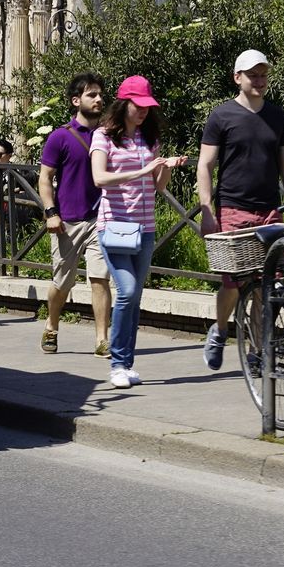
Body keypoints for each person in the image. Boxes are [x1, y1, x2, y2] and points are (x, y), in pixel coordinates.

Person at [197, 48, 284, 370]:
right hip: (233, 208)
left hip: (269, 210)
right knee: (232, 282)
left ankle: (257, 350)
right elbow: (206, 165)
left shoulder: (276, 115)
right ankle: (221, 328)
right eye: (252, 75)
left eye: (263, 74)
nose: (259, 80)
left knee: (265, 284)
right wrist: (206, 209)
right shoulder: (222, 116)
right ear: (237, 78)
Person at [89, 76, 186, 389]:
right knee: (127, 291)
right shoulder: (103, 136)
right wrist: (143, 170)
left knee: (135, 297)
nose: (144, 111)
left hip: (144, 228)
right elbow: (99, 178)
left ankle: (127, 364)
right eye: (139, 105)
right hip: (114, 227)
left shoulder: (147, 139)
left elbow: (157, 186)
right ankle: (117, 363)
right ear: (124, 104)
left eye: (148, 106)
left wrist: (167, 166)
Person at [37, 72, 110, 356]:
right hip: (66, 222)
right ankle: (52, 324)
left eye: (100, 94)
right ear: (76, 100)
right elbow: (45, 178)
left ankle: (101, 340)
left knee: (100, 278)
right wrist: (50, 212)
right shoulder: (60, 137)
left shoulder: (106, 135)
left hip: (98, 220)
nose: (99, 99)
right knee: (62, 282)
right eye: (92, 95)